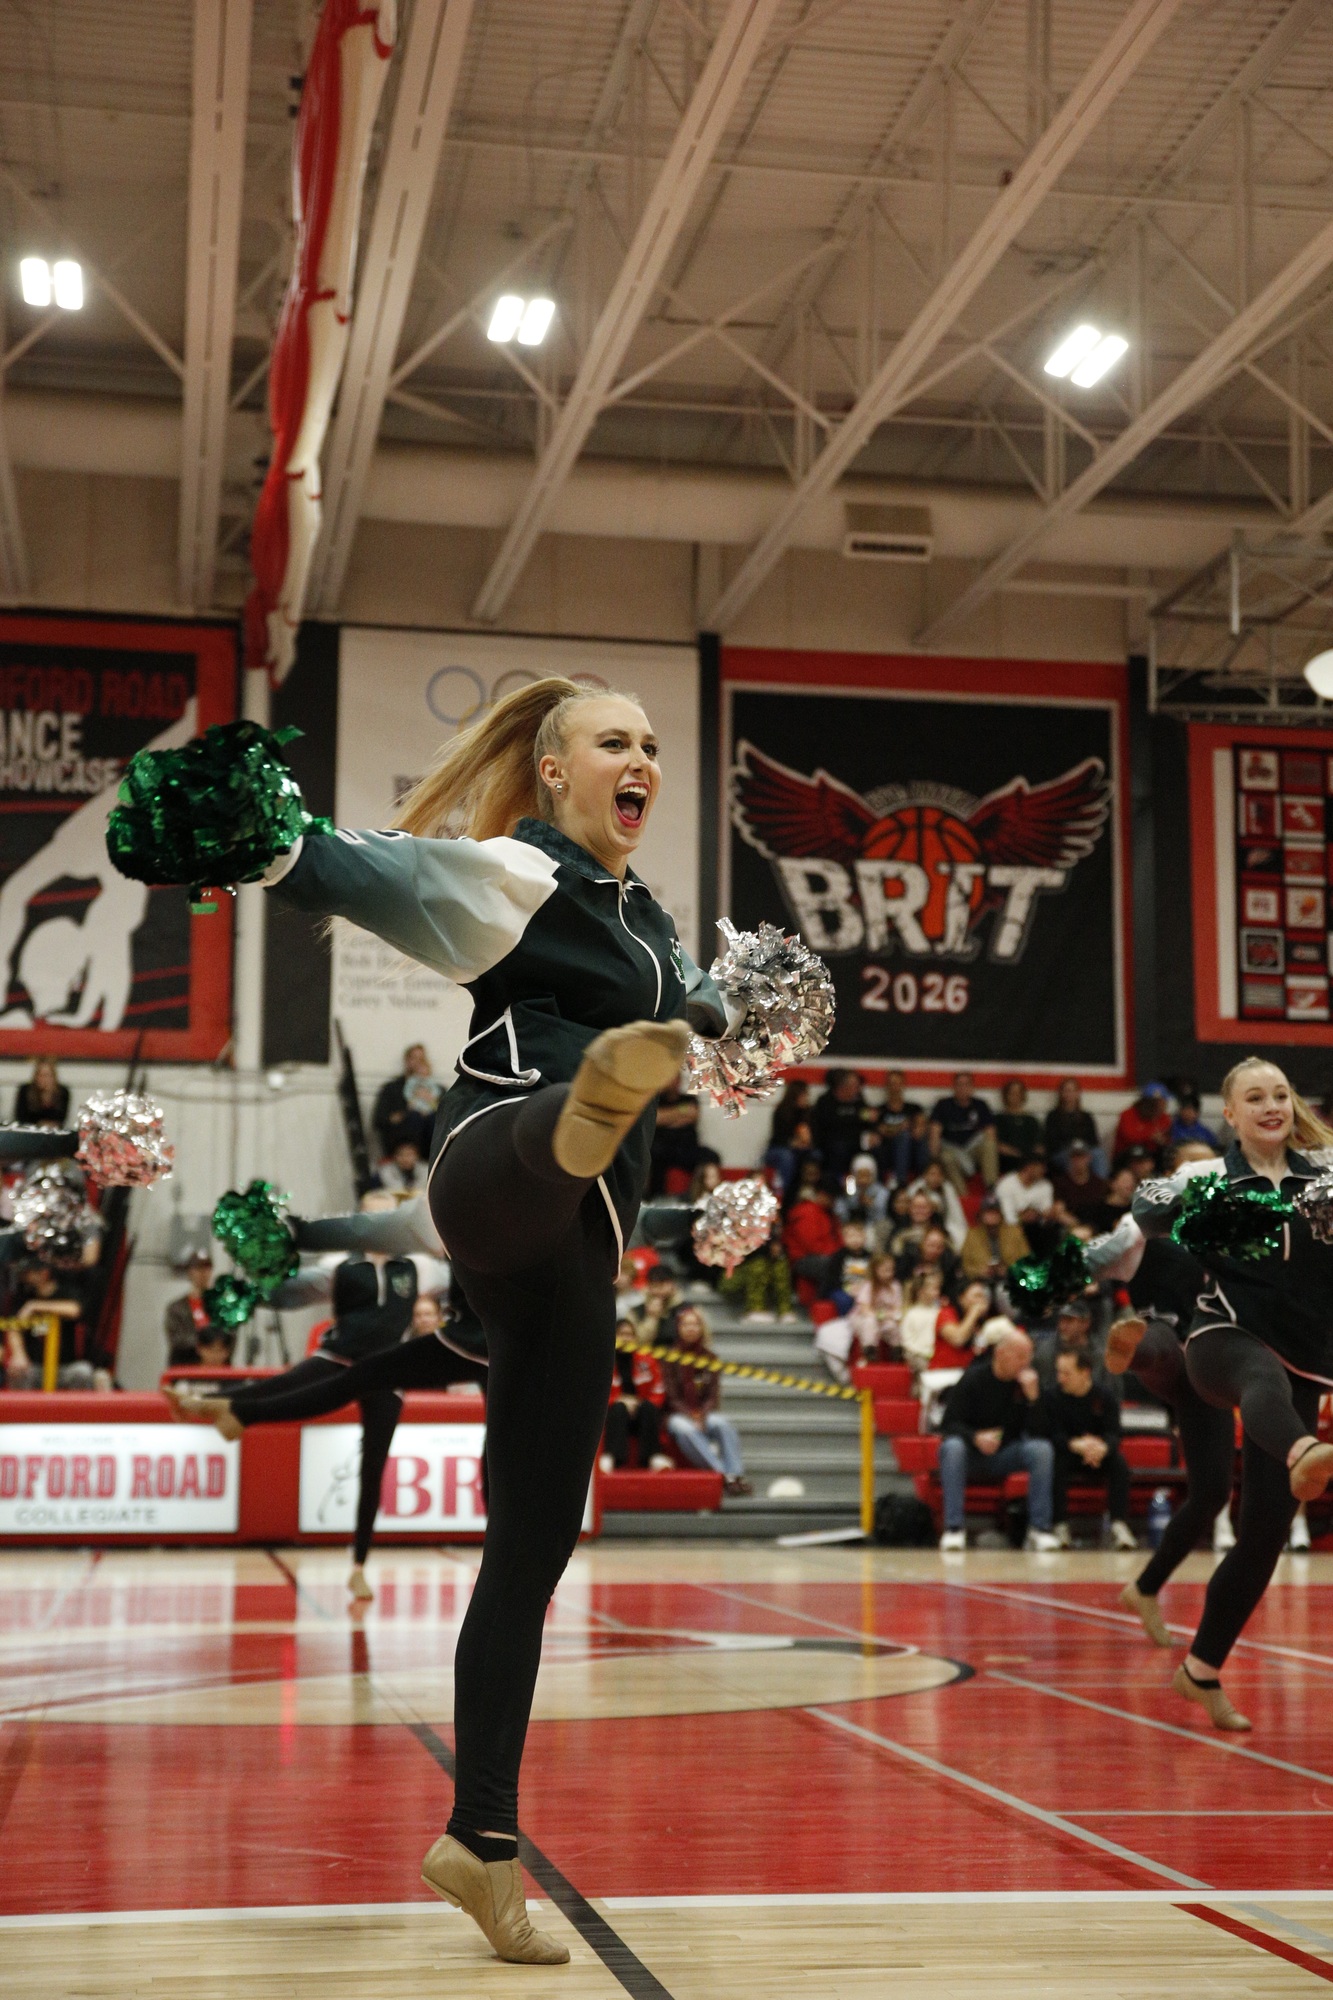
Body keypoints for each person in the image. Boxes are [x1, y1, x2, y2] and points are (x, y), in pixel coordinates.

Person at [156, 676, 735, 1964]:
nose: (641, 758)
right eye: (614, 741)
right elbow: (354, 868)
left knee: (529, 1548)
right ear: (552, 767)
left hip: (577, 1262)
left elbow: (707, 1000)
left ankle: (479, 1839)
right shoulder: (515, 875)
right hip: (492, 1166)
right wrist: (263, 832)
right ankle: (584, 1107)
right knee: (549, 1141)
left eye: (651, 743)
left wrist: (722, 1016)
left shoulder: (646, 920)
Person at [1132, 1057, 1333, 1732]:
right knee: (1259, 1378)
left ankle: (1200, 1670)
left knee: (1263, 1539)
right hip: (1220, 1340)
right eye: (1255, 1097)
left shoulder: (1326, 1175)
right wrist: (1192, 1199)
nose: (1271, 1106)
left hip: (1305, 1362)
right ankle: (1305, 1450)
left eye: (1279, 1095)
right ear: (1230, 1113)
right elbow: (1144, 1207)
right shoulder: (1210, 1175)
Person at [937, 1330, 1058, 1552]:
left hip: (1006, 1453)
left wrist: (1034, 1400)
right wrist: (975, 1437)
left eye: (1028, 1356)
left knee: (1042, 1450)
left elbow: (1042, 1432)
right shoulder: (973, 1378)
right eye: (1020, 1356)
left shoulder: (1027, 1385)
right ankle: (954, 1528)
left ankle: (1039, 1529)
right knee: (952, 1447)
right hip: (971, 1455)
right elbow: (949, 1424)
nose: (1026, 1363)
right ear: (1000, 1354)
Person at [1045, 1347, 1136, 1549]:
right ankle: (1060, 1525)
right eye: (1059, 1372)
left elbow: (1114, 1433)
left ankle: (1119, 1525)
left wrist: (1102, 1448)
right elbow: (1052, 1433)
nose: (1061, 1378)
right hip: (1069, 1452)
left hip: (1098, 1454)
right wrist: (1076, 1445)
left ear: (1084, 1372)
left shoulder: (1104, 1396)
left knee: (1119, 1463)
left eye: (1066, 1373)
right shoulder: (1053, 1397)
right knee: (1055, 1462)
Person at [661, 1304, 751, 1494]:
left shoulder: (711, 1358)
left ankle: (736, 1473)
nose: (691, 1329)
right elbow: (671, 1396)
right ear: (679, 1328)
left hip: (704, 1413)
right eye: (686, 1325)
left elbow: (712, 1395)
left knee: (722, 1424)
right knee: (685, 1428)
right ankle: (723, 1475)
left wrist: (702, 1415)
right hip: (676, 1414)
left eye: (695, 1324)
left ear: (702, 1328)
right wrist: (691, 1415)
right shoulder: (669, 1357)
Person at [815, 1251, 903, 1382]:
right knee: (870, 1322)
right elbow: (865, 1309)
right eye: (885, 1270)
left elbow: (897, 1309)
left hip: (883, 1319)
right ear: (876, 1270)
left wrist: (890, 1316)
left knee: (893, 1325)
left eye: (891, 1270)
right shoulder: (868, 1286)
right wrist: (882, 1315)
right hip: (862, 1318)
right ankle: (870, 1353)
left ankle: (897, 1353)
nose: (889, 1274)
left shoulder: (895, 1286)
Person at [602, 1320, 669, 1471]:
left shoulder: (647, 1360)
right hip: (614, 1414)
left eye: (630, 1335)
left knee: (648, 1408)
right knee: (619, 1408)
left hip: (642, 1412)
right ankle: (611, 1456)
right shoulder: (604, 1361)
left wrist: (638, 1403)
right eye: (621, 1334)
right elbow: (598, 1394)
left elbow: (658, 1390)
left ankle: (653, 1457)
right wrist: (619, 1400)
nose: (626, 1338)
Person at [928, 1073, 998, 1194]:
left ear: (972, 1087)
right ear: (954, 1087)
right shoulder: (943, 1105)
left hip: (972, 1150)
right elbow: (935, 1133)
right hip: (951, 1151)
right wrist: (933, 1162)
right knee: (946, 1157)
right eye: (959, 1084)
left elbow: (990, 1132)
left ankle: (991, 1189)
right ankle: (962, 1195)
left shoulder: (980, 1105)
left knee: (990, 1145)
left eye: (966, 1084)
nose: (963, 1088)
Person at [648, 1077, 717, 1195]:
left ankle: (701, 1196)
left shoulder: (689, 1099)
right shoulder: (656, 1101)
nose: (673, 1082)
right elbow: (655, 1119)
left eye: (676, 1079)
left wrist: (667, 1119)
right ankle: (654, 1197)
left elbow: (692, 1113)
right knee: (651, 1157)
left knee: (711, 1156)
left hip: (687, 1148)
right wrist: (680, 1114)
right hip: (662, 1148)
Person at [372, 1043, 440, 1159]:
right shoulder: (392, 1089)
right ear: (406, 1061)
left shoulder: (438, 1090)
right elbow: (379, 1119)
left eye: (421, 1059)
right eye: (414, 1058)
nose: (418, 1063)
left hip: (430, 1151)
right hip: (400, 1147)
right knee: (414, 1117)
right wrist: (399, 1116)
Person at [811, 1071, 875, 1184]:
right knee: (838, 1149)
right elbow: (823, 1126)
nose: (857, 1090)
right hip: (831, 1144)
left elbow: (866, 1120)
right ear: (843, 1087)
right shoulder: (826, 1102)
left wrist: (873, 1132)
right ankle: (836, 1183)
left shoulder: (859, 1102)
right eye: (855, 1086)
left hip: (856, 1144)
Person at [871, 1070, 927, 1184]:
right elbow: (880, 1131)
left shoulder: (914, 1108)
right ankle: (901, 1182)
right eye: (891, 1084)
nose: (894, 1087)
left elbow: (919, 1130)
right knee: (903, 1136)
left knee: (909, 1138)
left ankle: (922, 1179)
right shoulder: (879, 1110)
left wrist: (892, 1130)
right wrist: (901, 1128)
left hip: (911, 1151)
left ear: (903, 1085)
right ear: (886, 1086)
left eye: (897, 1083)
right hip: (888, 1151)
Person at [163, 1250, 217, 1367]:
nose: (202, 1273)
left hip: (215, 1366)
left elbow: (229, 1336)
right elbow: (177, 1339)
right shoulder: (176, 1308)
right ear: (190, 1272)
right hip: (185, 1365)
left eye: (207, 1268)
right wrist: (205, 1343)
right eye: (198, 1268)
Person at [961, 1194, 1028, 1283]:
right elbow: (965, 1264)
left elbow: (1026, 1259)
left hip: (1012, 1280)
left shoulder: (1015, 1232)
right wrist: (980, 1271)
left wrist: (1009, 1270)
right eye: (988, 1212)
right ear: (981, 1215)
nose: (992, 1216)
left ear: (1001, 1214)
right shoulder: (972, 1235)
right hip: (981, 1281)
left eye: (995, 1212)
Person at [1044, 1077, 1105, 1175]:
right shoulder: (1053, 1116)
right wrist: (1072, 1148)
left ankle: (1100, 1183)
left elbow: (1094, 1141)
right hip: (1063, 1152)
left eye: (1072, 1091)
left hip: (1084, 1150)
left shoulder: (1086, 1116)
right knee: (1073, 1159)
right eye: (1066, 1091)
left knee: (1098, 1154)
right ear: (1061, 1093)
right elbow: (1051, 1143)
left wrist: (1082, 1149)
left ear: (1078, 1093)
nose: (1069, 1094)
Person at [905, 1159, 967, 1250]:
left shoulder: (947, 1188)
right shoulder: (915, 1189)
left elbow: (956, 1215)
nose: (935, 1178)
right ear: (925, 1175)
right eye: (932, 1174)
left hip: (942, 1225)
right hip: (916, 1226)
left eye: (939, 1174)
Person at [1051, 1140, 1109, 1231]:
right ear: (1069, 1159)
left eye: (1082, 1157)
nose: (1078, 1161)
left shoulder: (1098, 1183)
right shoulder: (1060, 1182)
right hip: (1072, 1226)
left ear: (1089, 1158)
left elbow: (1104, 1209)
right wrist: (1078, 1225)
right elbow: (1059, 1212)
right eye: (1074, 1157)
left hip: (1095, 1225)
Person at [1114, 1083, 1172, 1167]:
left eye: (1162, 1101)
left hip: (1153, 1157)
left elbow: (1169, 1139)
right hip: (1128, 1157)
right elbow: (1129, 1137)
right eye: (1155, 1102)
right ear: (1145, 1102)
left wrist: (1163, 1141)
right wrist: (1150, 1136)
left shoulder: (1164, 1118)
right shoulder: (1128, 1114)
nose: (1160, 1106)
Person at [835, 1154, 891, 1239]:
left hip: (874, 1226)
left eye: (867, 1175)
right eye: (860, 1175)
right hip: (852, 1226)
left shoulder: (882, 1191)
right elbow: (840, 1211)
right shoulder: (850, 1189)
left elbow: (882, 1215)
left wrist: (871, 1204)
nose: (863, 1180)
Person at [994, 1079, 1041, 1175]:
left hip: (1029, 1162)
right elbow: (998, 1145)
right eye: (1012, 1093)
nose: (1016, 1096)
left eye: (1019, 1093)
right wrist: (1016, 1154)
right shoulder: (998, 1119)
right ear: (1006, 1095)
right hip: (1007, 1161)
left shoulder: (1032, 1120)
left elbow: (1039, 1145)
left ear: (1023, 1096)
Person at [14, 1057, 70, 1128]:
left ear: (54, 1077)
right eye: (40, 1075)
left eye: (47, 1075)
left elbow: (60, 1119)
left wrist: (47, 1094)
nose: (43, 1079)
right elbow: (21, 1118)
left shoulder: (62, 1092)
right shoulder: (25, 1090)